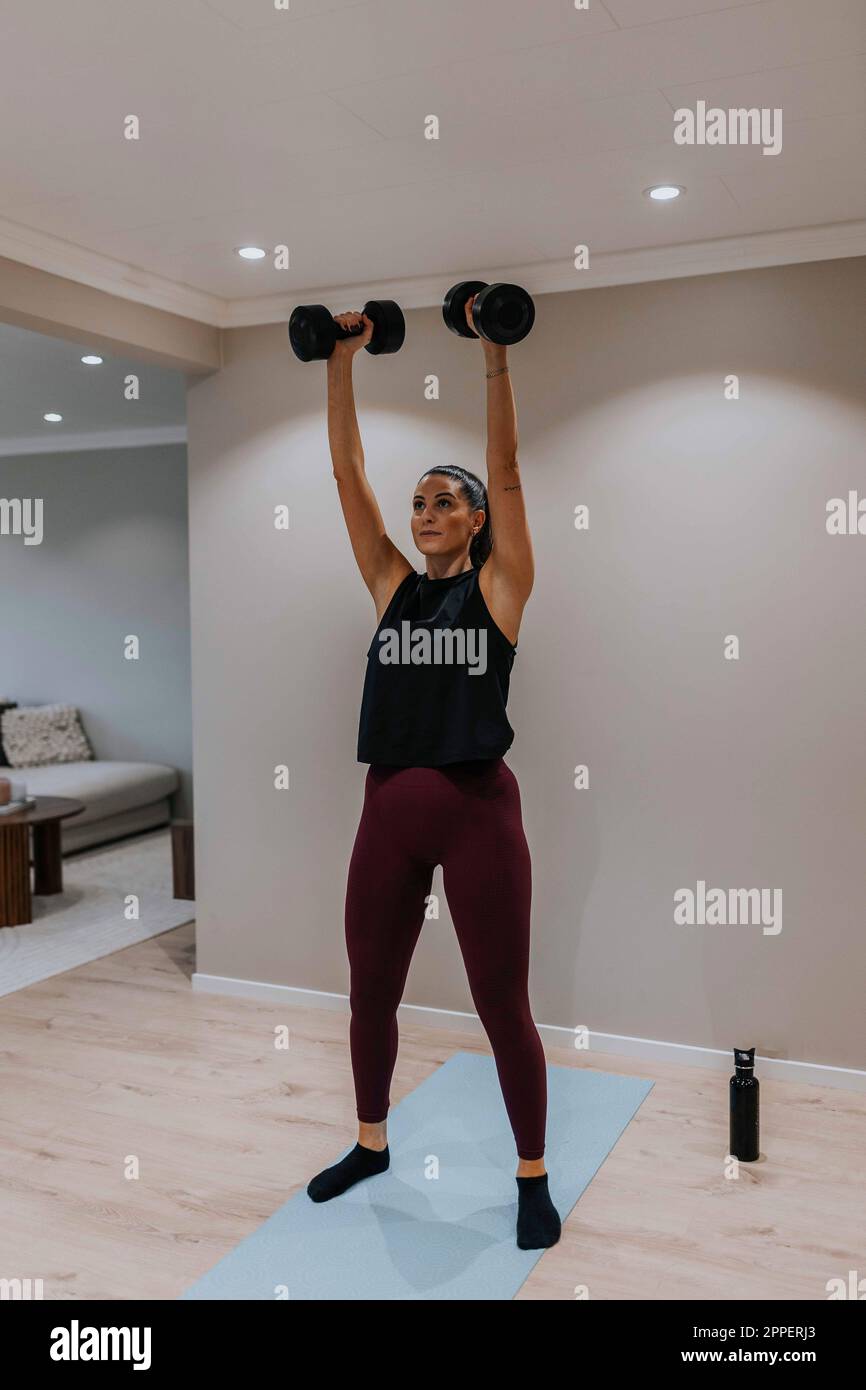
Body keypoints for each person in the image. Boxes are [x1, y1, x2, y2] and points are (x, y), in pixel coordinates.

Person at [306, 298, 560, 1250]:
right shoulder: (392, 585)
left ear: (479, 519)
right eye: (419, 503)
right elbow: (346, 476)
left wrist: (494, 352)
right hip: (388, 813)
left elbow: (510, 468)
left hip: (476, 813)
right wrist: (339, 360)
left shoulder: (501, 587)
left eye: (445, 500)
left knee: (502, 1001)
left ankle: (532, 1174)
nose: (424, 514)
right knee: (370, 988)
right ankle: (370, 1142)